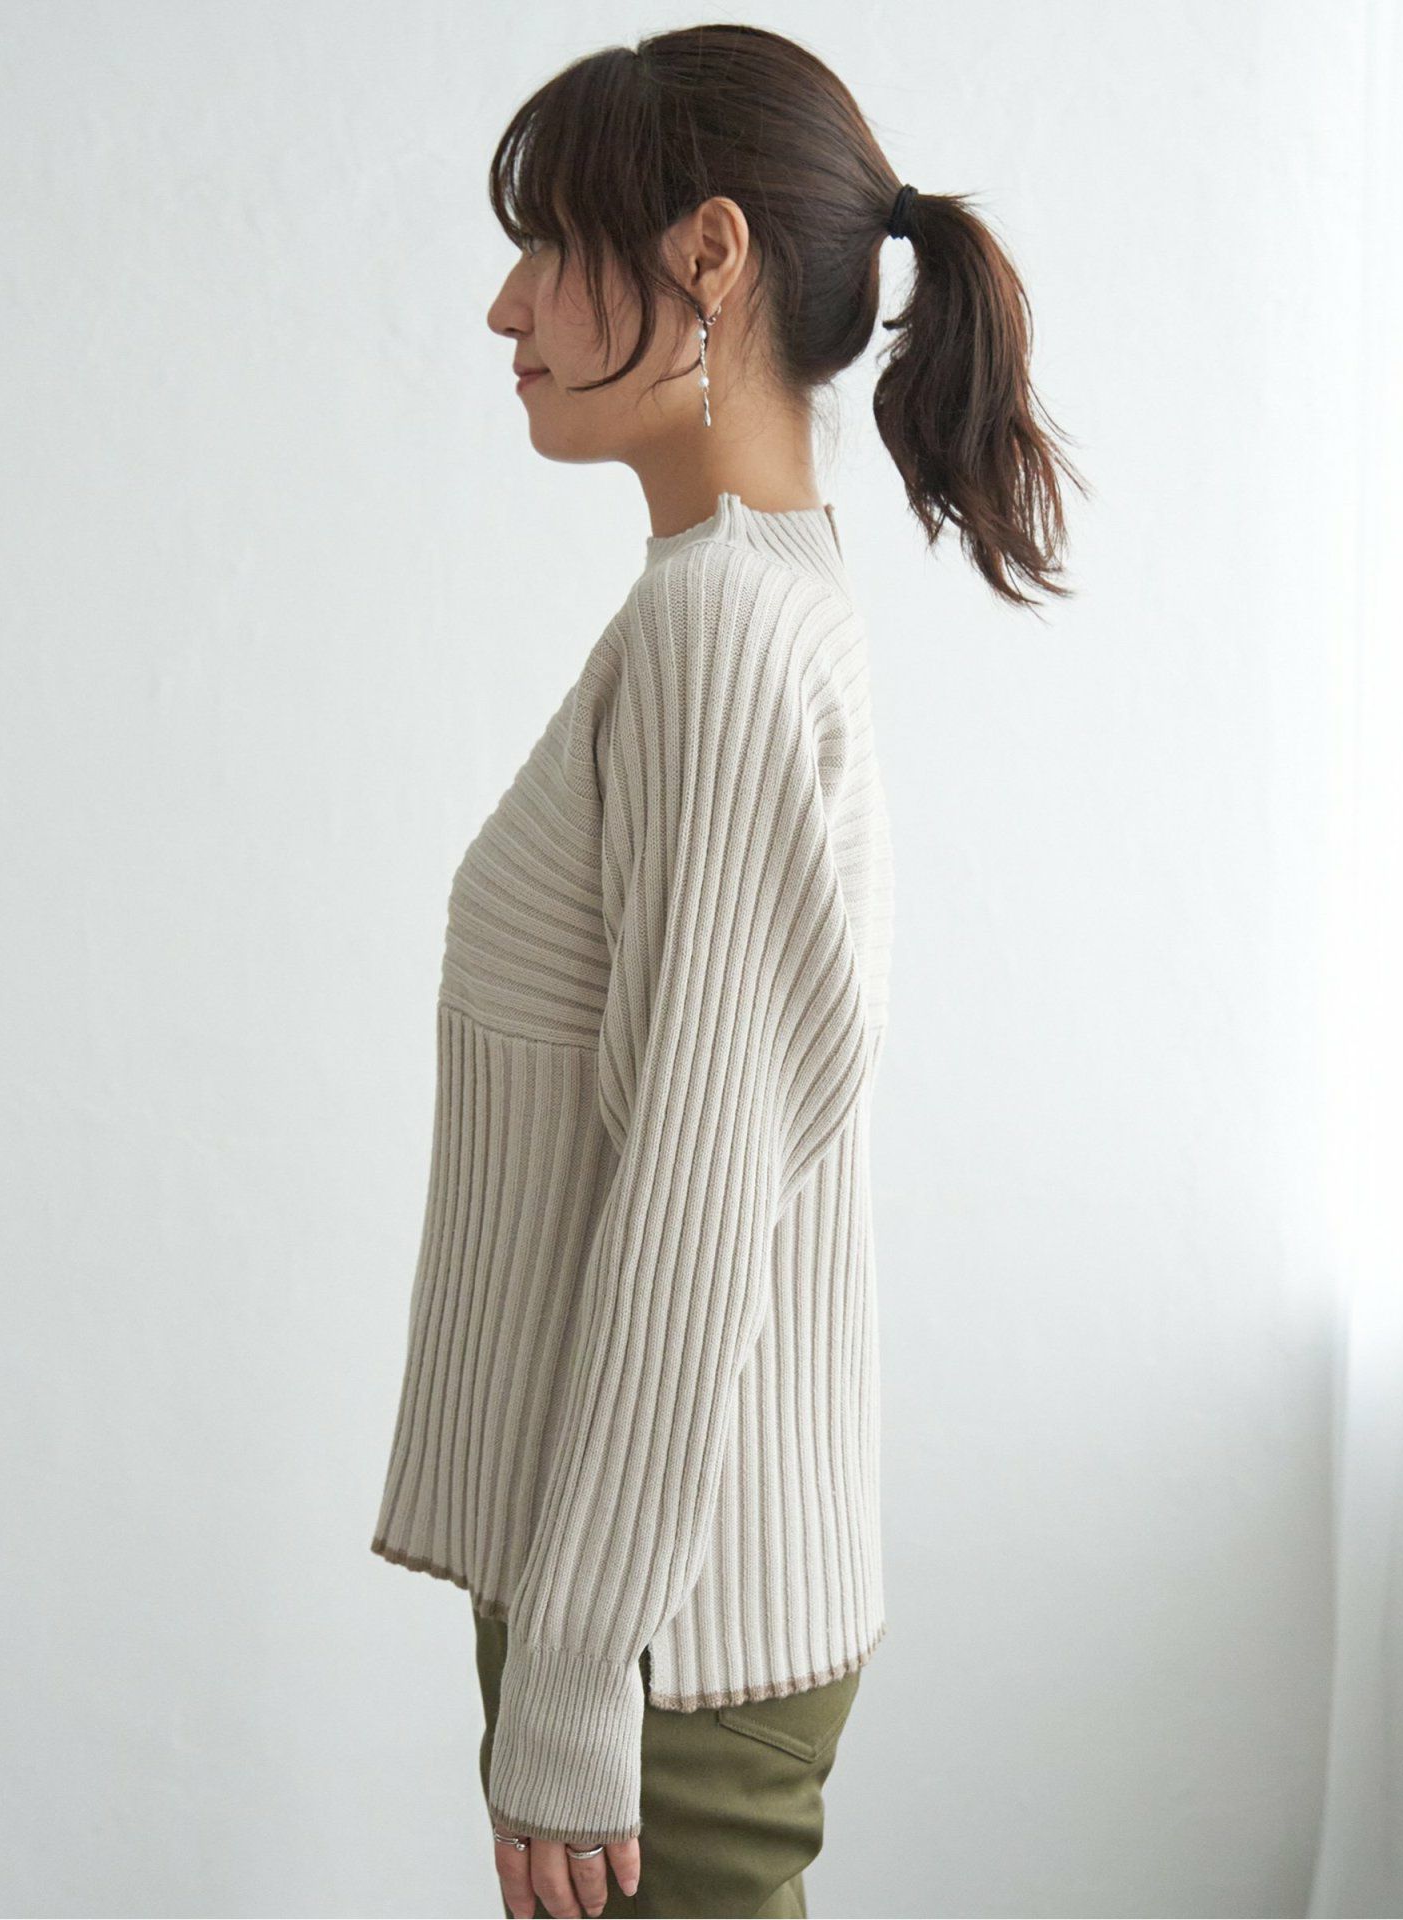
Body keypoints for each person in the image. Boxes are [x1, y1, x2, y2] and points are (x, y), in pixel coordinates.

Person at [370, 24, 1081, 1918]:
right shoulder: (760, 598)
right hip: (672, 1605)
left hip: (660, 1641)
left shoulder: (722, 632)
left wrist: (576, 1671)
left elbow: (694, 1189)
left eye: (553, 245)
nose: (507, 303)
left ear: (707, 255)